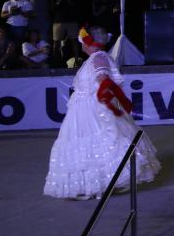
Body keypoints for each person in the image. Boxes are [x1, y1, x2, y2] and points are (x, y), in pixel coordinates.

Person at [44, 27, 161, 200]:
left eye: (82, 40)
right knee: (86, 145)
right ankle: (92, 184)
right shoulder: (94, 58)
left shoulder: (99, 57)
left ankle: (102, 183)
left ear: (89, 42)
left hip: (93, 108)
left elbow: (103, 77)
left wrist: (104, 92)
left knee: (104, 140)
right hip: (83, 109)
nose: (81, 43)